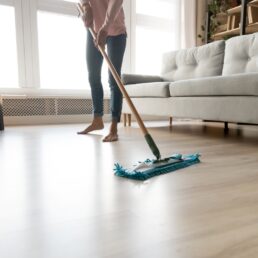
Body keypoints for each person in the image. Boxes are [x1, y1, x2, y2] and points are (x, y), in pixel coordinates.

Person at [78, 0, 127, 142]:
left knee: (114, 78)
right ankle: (97, 120)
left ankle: (114, 126)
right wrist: (86, 7)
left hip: (116, 31)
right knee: (93, 75)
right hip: (94, 29)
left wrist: (105, 27)